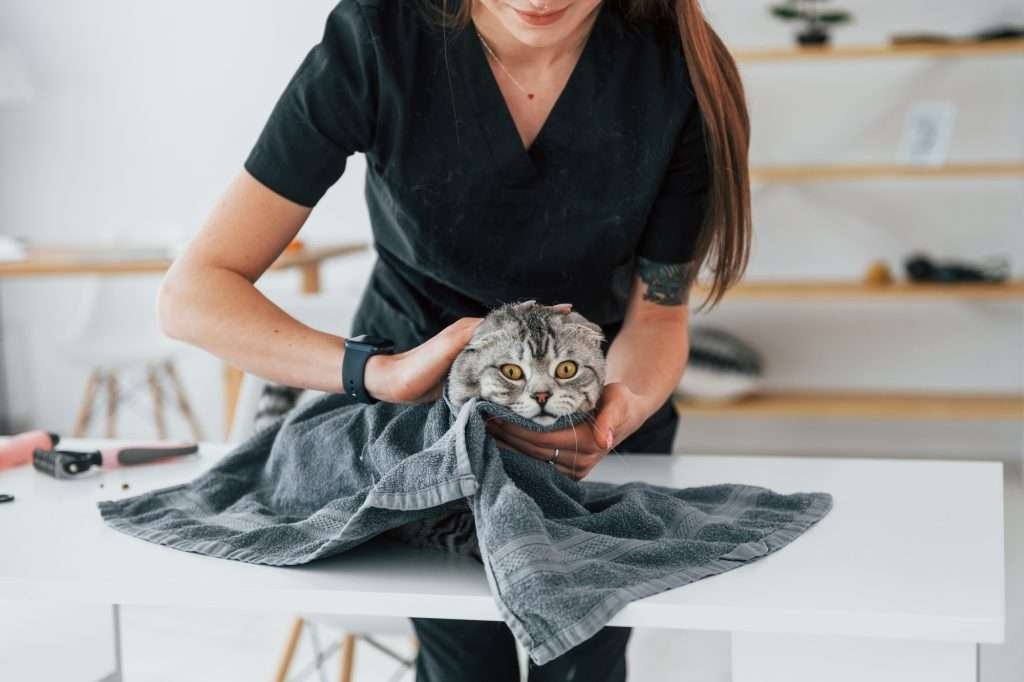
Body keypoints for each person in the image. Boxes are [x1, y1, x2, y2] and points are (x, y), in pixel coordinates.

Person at [157, 0, 751, 679]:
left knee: (583, 663)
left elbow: (659, 316)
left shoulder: (681, 72)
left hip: (597, 436)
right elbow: (191, 296)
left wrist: (621, 412)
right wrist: (377, 374)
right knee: (464, 666)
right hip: (422, 440)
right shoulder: (377, 39)